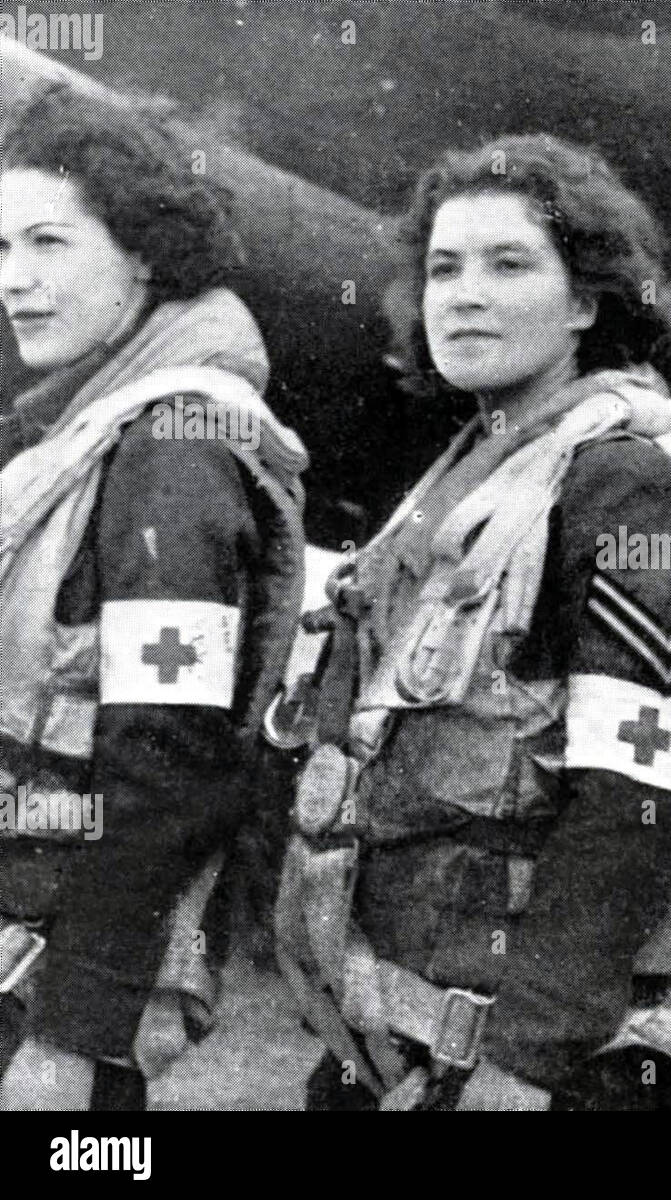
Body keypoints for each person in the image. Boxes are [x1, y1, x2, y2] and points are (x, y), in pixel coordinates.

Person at [274, 133, 671, 1111]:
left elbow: (636, 802)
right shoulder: (467, 468)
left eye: (508, 264)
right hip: (391, 1038)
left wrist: (524, 1066)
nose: (462, 292)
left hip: (518, 1060)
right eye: (443, 267)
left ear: (585, 302)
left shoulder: (633, 482)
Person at [0, 83, 309, 1110]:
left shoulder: (175, 444)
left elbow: (168, 762)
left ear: (141, 252)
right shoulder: (99, 428)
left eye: (49, 244)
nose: (15, 282)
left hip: (51, 1006)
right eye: (1, 251)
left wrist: (71, 1040)